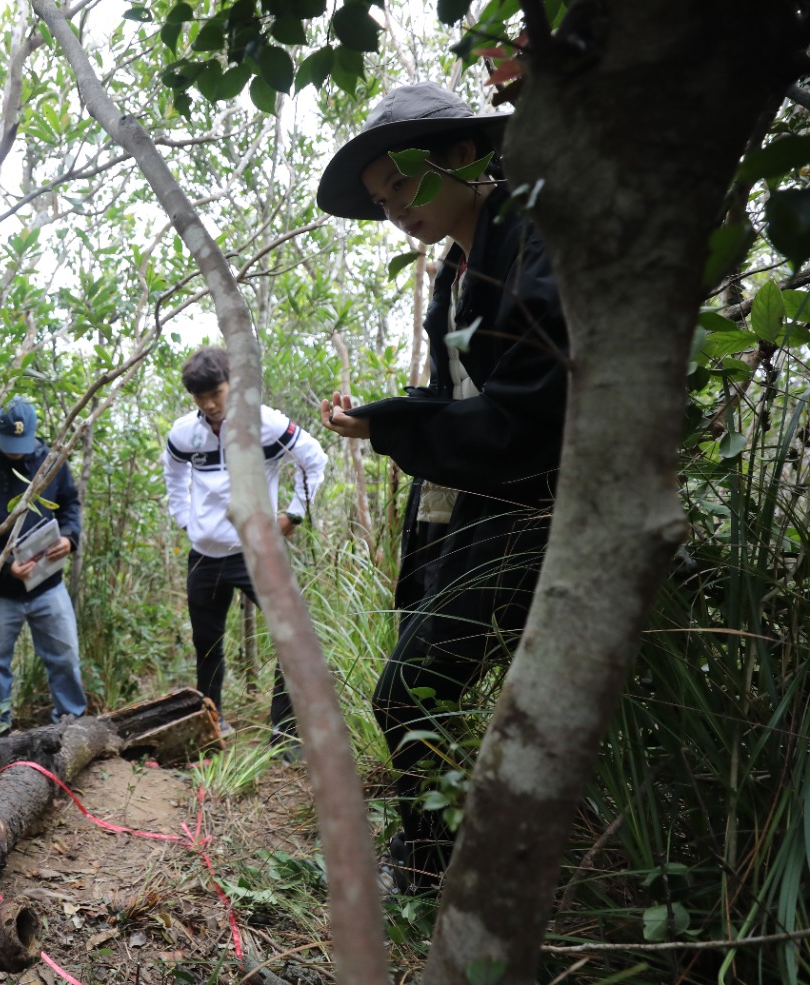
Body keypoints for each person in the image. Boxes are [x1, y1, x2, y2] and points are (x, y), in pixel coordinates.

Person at [315, 83, 569, 893]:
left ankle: (431, 870)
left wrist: (397, 429)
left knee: (410, 692)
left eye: (405, 185)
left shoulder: (529, 237)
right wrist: (380, 418)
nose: (396, 211)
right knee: (426, 688)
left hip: (530, 506)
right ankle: (444, 858)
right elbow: (453, 398)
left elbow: (531, 406)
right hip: (460, 509)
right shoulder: (452, 279)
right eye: (382, 201)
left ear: (464, 155)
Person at [162, 346, 327, 754]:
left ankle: (285, 736)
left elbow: (315, 460)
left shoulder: (265, 424)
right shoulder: (184, 432)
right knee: (207, 644)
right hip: (205, 556)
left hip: (258, 553)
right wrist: (188, 522)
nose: (210, 404)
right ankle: (210, 729)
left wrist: (293, 515)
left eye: (216, 393)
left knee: (291, 637)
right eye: (200, 398)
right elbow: (173, 476)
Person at [0, 398, 86, 738]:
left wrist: (70, 537)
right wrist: (3, 565)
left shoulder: (50, 462)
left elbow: (70, 503)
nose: (16, 452)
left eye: (22, 444)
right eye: (9, 445)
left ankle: (71, 723)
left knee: (65, 655)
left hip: (48, 584)